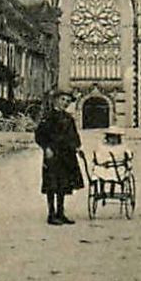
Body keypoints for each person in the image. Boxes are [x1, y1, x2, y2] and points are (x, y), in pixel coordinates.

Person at [35, 90, 84, 225]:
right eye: (63, 100)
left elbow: (74, 134)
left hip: (67, 154)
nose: (65, 103)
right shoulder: (48, 116)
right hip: (53, 154)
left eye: (68, 101)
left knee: (63, 184)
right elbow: (39, 135)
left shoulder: (69, 118)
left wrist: (78, 146)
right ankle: (51, 214)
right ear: (56, 100)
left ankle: (60, 213)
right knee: (52, 184)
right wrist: (46, 148)